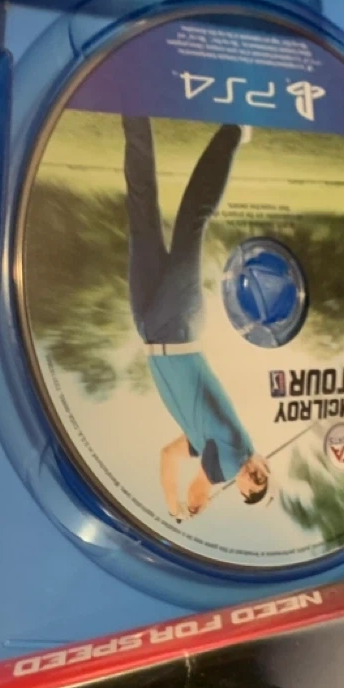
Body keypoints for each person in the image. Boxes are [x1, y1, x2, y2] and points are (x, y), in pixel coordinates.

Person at [121, 115, 270, 520]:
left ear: (241, 490)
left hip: (150, 326)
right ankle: (234, 130)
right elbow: (200, 486)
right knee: (192, 221)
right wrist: (191, 505)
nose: (253, 476)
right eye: (261, 476)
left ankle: (134, 113)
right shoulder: (233, 455)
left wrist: (172, 505)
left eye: (251, 486)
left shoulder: (205, 444)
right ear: (262, 463)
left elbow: (168, 456)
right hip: (179, 325)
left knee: (140, 211)